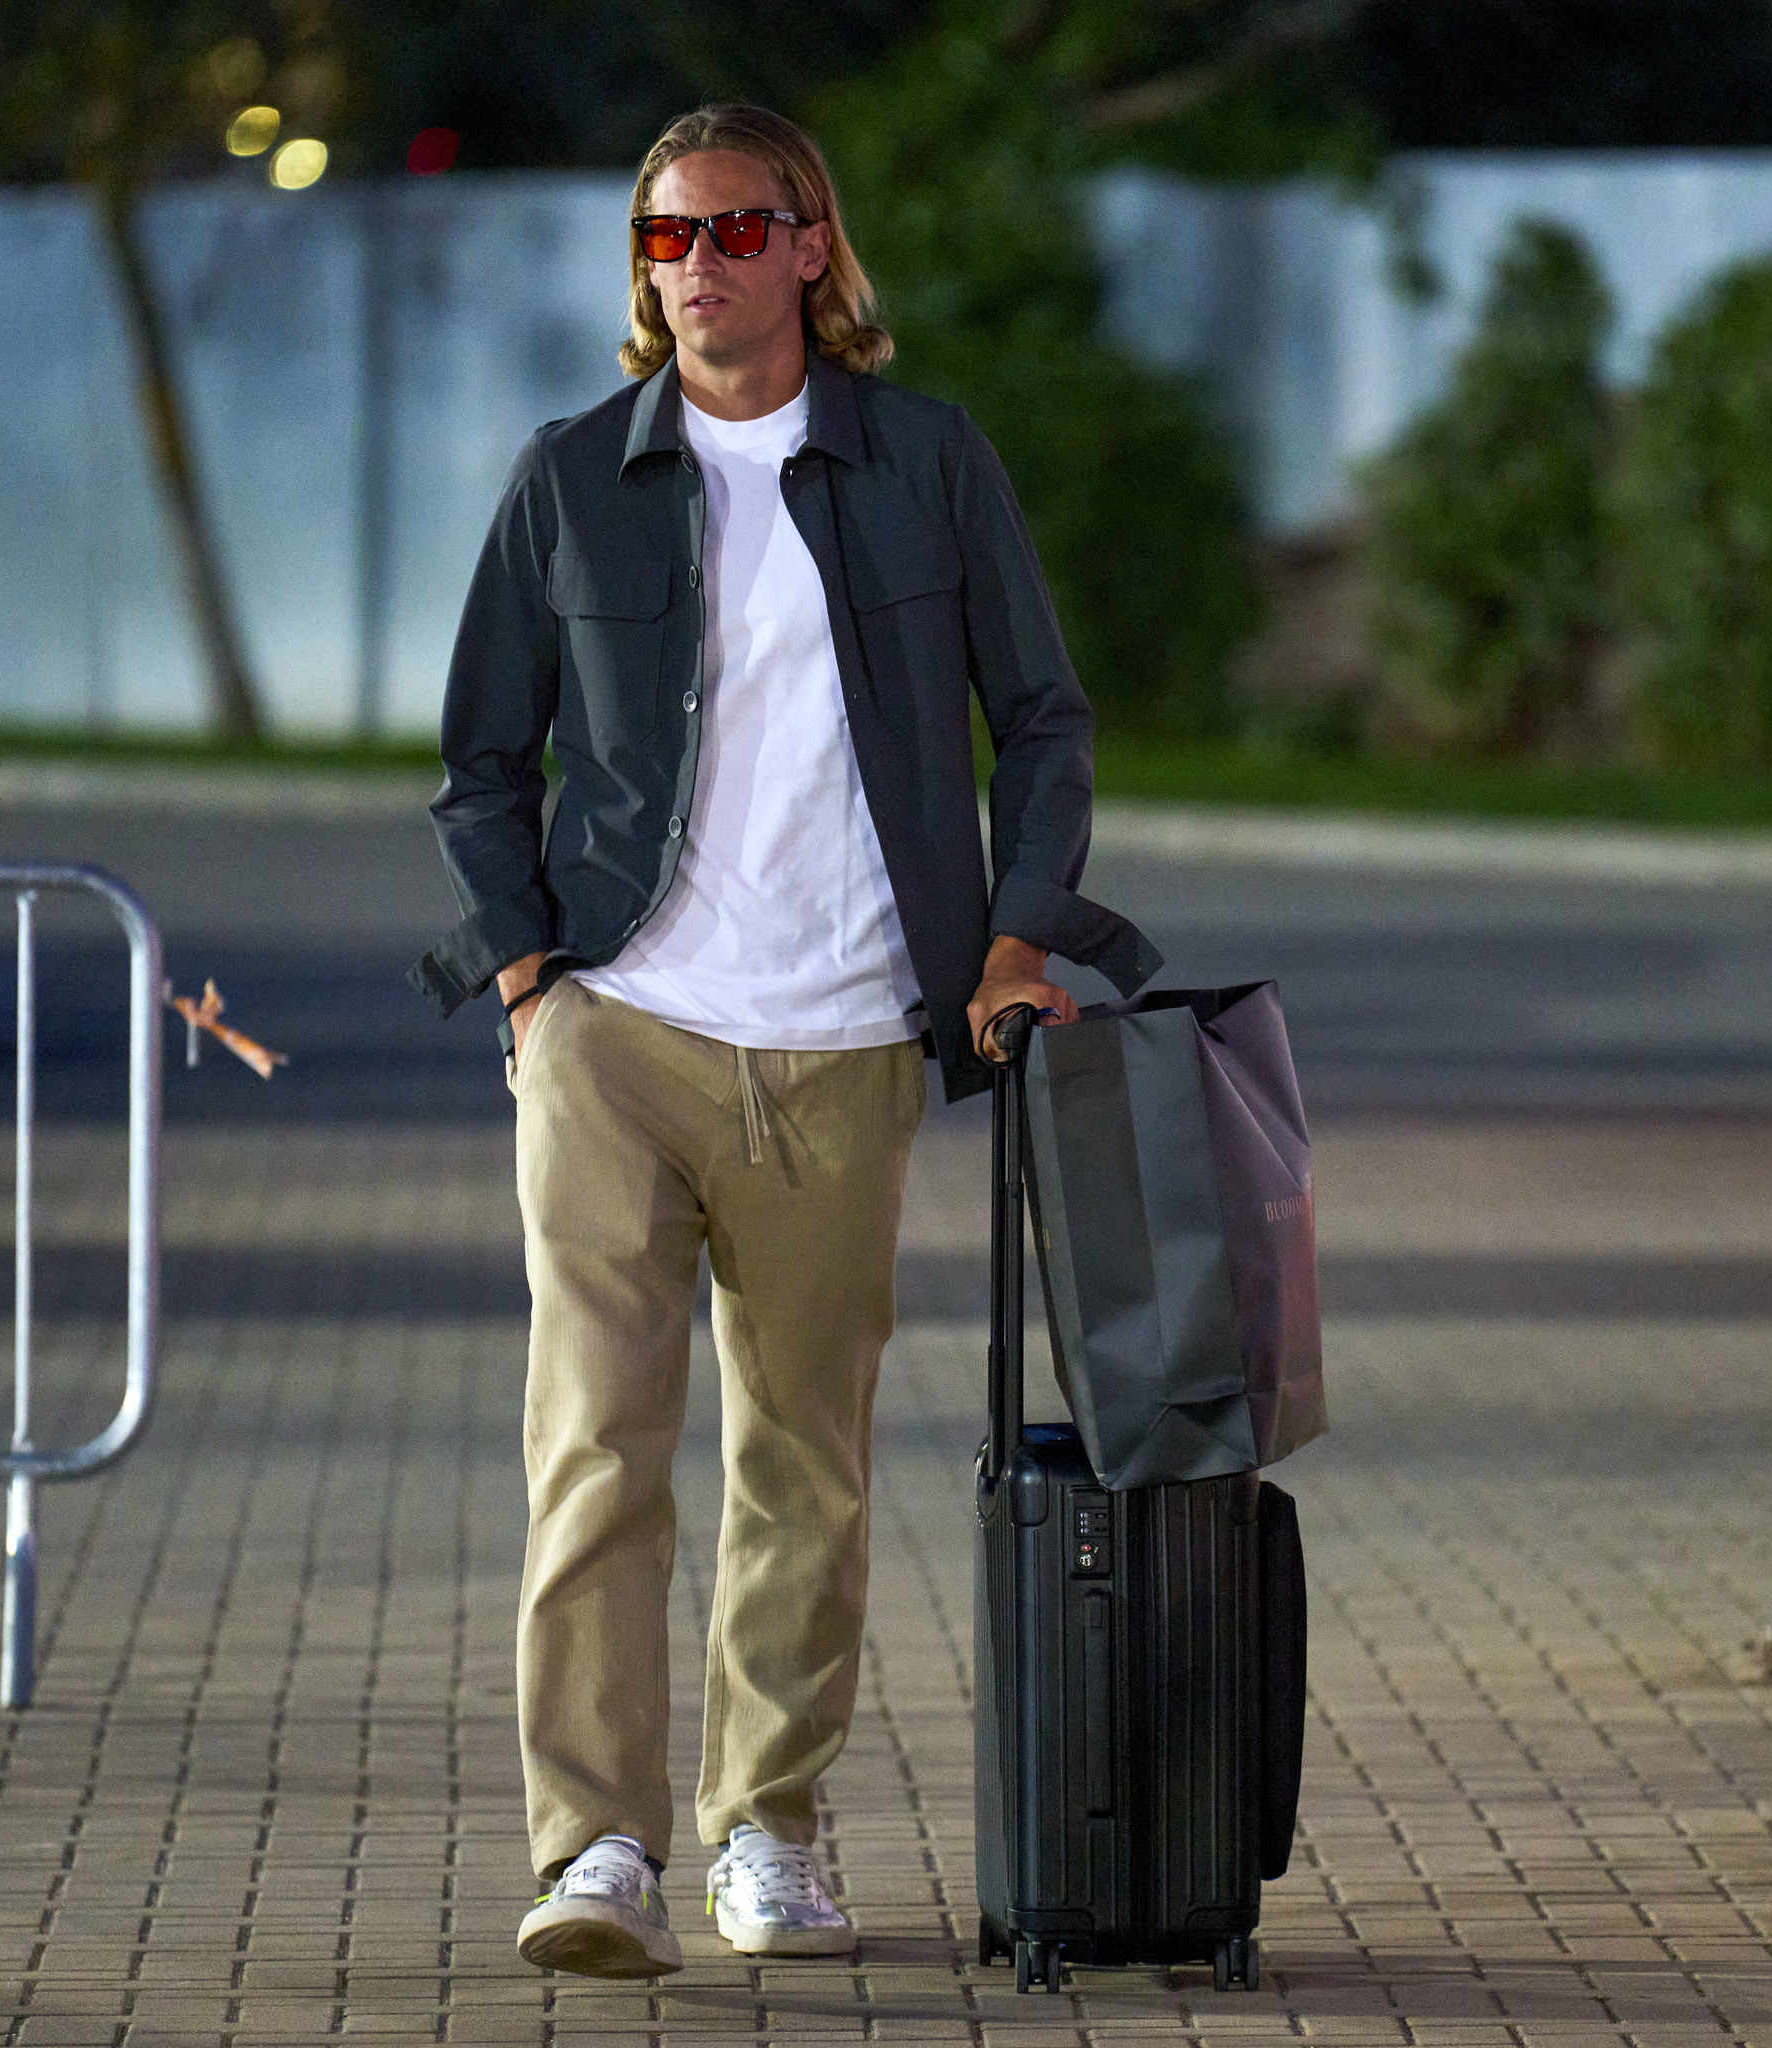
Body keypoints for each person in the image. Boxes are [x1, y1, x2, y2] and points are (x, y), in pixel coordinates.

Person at [407, 102, 1156, 1980]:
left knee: (800, 1465)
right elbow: (478, 763)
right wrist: (528, 988)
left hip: (846, 1042)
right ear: (640, 270)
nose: (702, 266)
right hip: (620, 1031)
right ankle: (595, 1853)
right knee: (593, 1453)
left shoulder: (925, 463)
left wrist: (1007, 937)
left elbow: (1046, 724)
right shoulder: (574, 478)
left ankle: (770, 1831)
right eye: (667, 238)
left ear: (816, 244)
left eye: (741, 230)